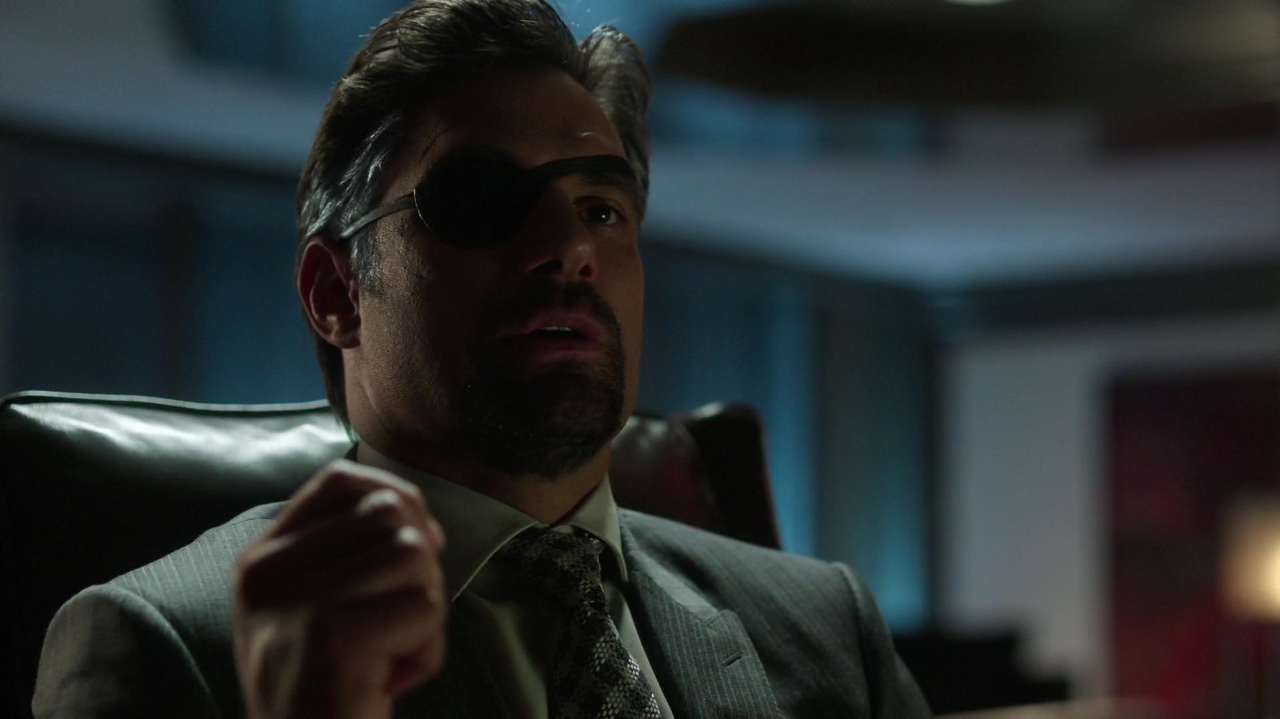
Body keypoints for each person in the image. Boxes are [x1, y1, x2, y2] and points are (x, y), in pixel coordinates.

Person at [32, 1, 931, 717]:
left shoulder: (826, 628)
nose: (568, 249)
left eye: (602, 210)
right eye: (480, 198)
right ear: (336, 292)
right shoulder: (162, 643)